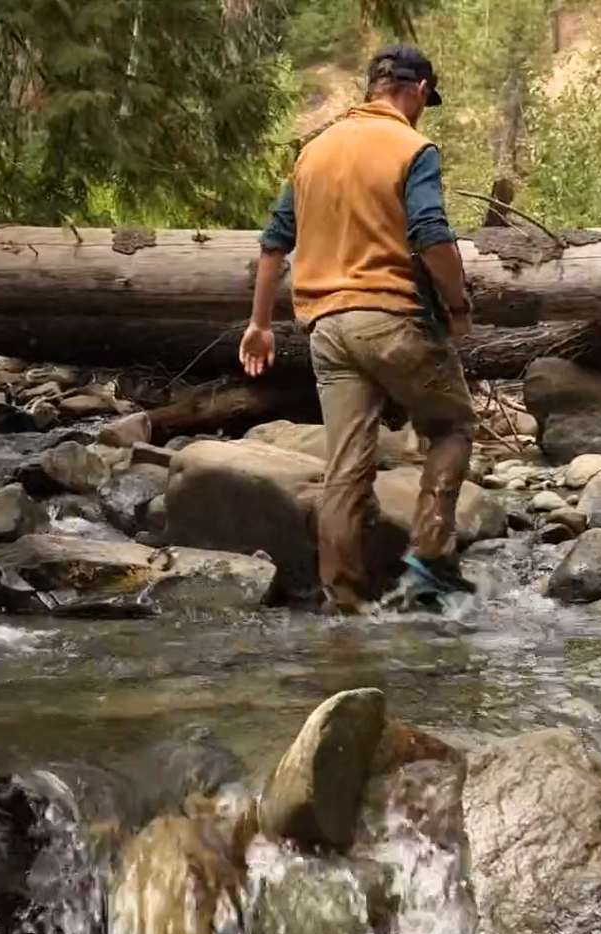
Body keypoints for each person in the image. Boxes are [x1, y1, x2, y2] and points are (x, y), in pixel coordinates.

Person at [239, 43, 478, 614]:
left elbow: (274, 242)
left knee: (346, 467)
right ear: (419, 92)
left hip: (325, 327)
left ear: (373, 86)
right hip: (390, 318)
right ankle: (431, 560)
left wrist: (259, 324)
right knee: (452, 427)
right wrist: (457, 299)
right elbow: (430, 231)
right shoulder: (412, 146)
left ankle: (342, 601)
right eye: (427, 100)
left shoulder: (314, 152)